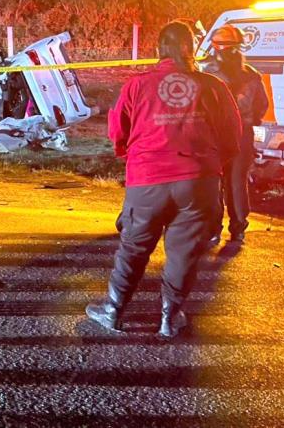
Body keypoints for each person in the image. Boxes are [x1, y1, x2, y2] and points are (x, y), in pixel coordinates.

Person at [86, 21, 242, 339]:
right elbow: (232, 137)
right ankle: (170, 318)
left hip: (148, 180)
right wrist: (209, 167)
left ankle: (114, 311)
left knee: (133, 246)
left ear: (159, 49)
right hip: (199, 181)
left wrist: (132, 157)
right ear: (193, 49)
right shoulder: (213, 86)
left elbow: (118, 132)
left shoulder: (137, 84)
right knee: (184, 252)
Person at [204, 25, 269, 244]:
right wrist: (251, 121)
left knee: (214, 182)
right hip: (242, 134)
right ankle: (238, 228)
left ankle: (213, 229)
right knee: (237, 182)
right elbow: (262, 105)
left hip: (215, 135)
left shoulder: (207, 73)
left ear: (216, 46)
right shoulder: (251, 75)